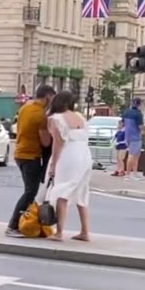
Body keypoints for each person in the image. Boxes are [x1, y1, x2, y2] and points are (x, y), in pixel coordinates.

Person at [5, 84, 54, 238]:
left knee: (29, 191)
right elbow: (45, 142)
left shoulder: (26, 107)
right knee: (30, 192)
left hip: (20, 153)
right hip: (31, 156)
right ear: (47, 97)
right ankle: (12, 226)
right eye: (52, 98)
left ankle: (22, 222)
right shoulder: (41, 115)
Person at [45, 90, 92, 241]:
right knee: (81, 191)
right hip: (85, 154)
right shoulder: (80, 117)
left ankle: (59, 232)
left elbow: (58, 144)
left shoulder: (55, 118)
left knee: (62, 191)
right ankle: (85, 231)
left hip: (69, 154)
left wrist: (53, 164)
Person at [121, 97, 144, 178]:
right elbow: (140, 127)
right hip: (136, 136)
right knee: (133, 155)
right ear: (139, 104)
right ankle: (129, 174)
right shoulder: (138, 114)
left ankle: (134, 173)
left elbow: (122, 124)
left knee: (134, 154)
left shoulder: (126, 112)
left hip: (128, 136)